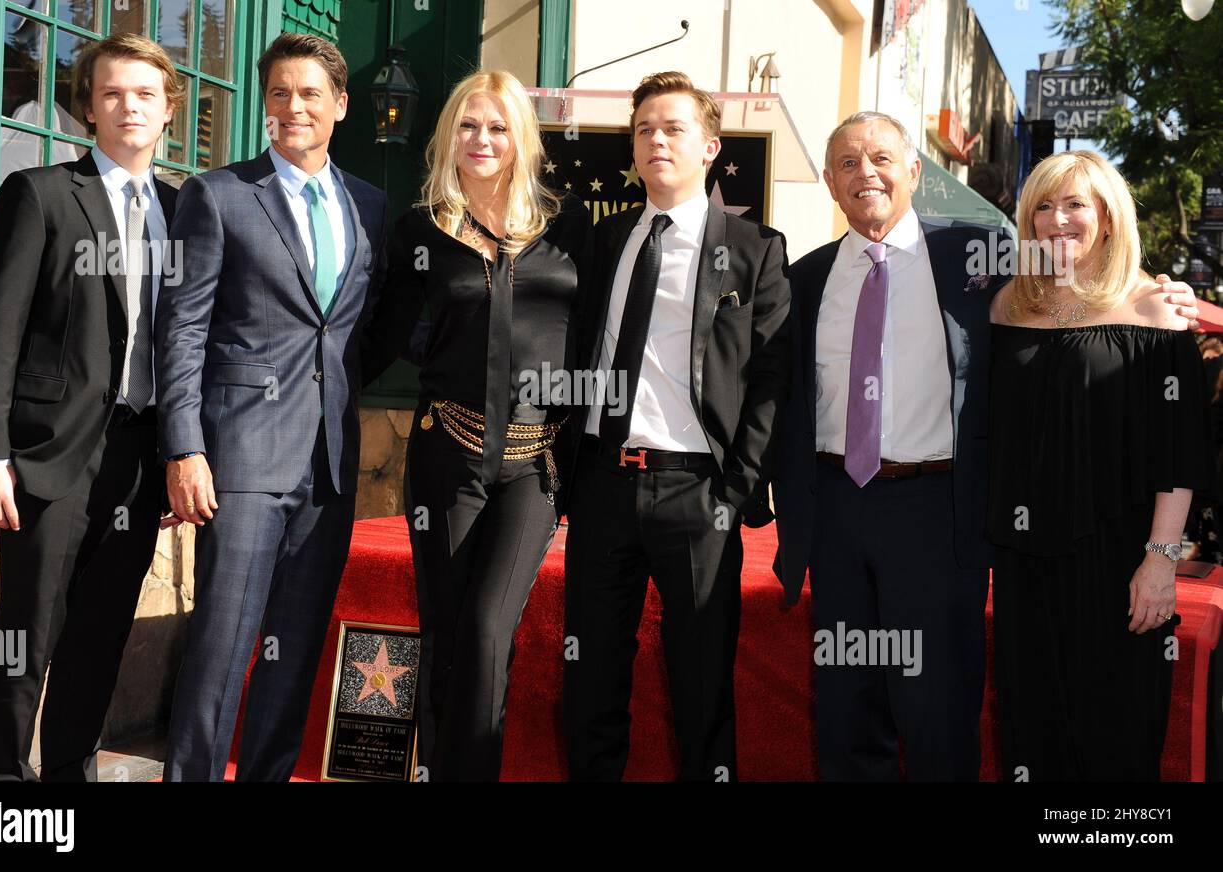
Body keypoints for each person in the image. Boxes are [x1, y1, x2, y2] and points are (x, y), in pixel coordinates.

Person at [770, 113, 1201, 781]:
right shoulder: (804, 279)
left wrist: (1159, 296)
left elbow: (1093, 308)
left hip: (939, 514)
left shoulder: (979, 256)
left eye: (882, 157)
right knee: (847, 707)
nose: (866, 174)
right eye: (848, 164)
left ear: (916, 171)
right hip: (835, 515)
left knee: (940, 712)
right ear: (829, 181)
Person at [155, 33, 387, 782]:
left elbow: (361, 334)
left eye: (311, 93)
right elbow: (182, 328)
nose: (293, 107)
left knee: (295, 647)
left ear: (340, 105)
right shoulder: (218, 194)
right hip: (243, 456)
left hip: (330, 463)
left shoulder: (372, 208)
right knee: (223, 646)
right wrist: (183, 447)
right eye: (280, 93)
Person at [0, 33, 184, 781]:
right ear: (88, 107)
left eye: (146, 95)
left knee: (99, 638)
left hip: (137, 458)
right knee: (28, 635)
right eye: (114, 92)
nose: (130, 106)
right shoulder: (42, 194)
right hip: (46, 455)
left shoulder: (185, 214)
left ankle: (69, 781)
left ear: (168, 113)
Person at [360, 70, 592, 781]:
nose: (482, 139)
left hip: (534, 464)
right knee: (447, 634)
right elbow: (376, 340)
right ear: (447, 137)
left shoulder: (570, 226)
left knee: (490, 630)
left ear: (521, 136)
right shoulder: (418, 230)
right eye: (468, 126)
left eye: (497, 126)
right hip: (446, 456)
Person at [562, 71, 791, 782]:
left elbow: (772, 381)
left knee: (701, 686)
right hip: (603, 485)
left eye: (673, 128)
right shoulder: (601, 241)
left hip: (699, 496)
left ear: (710, 148)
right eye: (643, 129)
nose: (656, 139)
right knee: (591, 680)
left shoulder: (754, 250)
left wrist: (736, 486)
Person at [988, 150, 1212, 781]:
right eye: (1044, 206)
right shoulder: (1007, 305)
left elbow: (1180, 450)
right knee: (1031, 725)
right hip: (1025, 559)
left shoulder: (1157, 308)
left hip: (1121, 559)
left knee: (1115, 732)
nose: (1058, 220)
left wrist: (1160, 560)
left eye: (1076, 204)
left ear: (1109, 218)